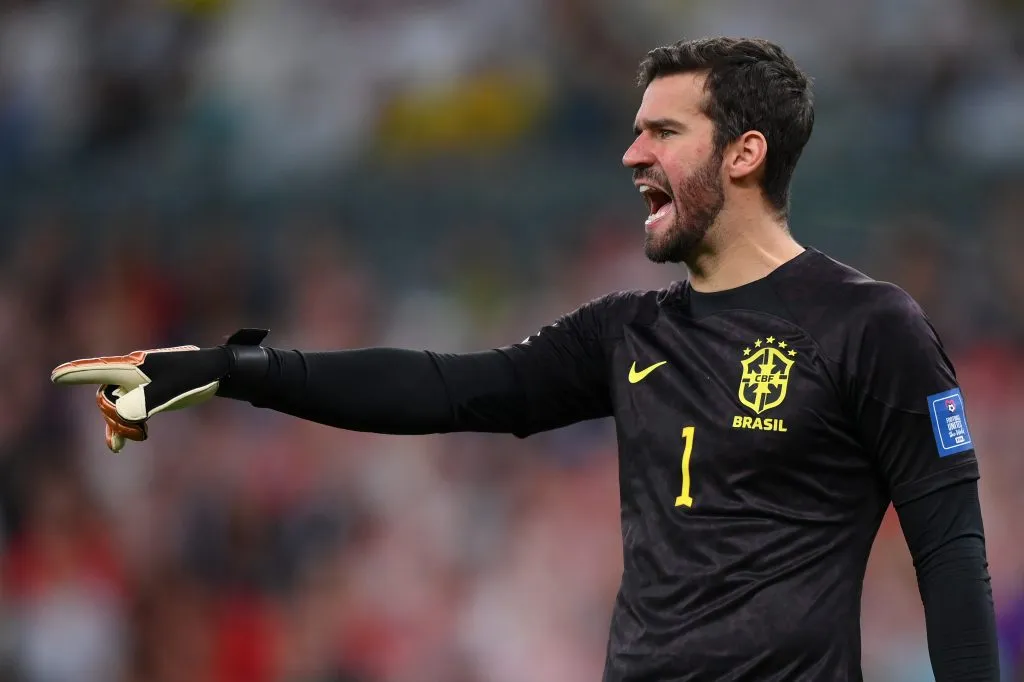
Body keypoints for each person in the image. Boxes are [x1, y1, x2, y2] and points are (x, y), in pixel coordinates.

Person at [51, 37, 1000, 681]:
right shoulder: (628, 332)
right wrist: (228, 368)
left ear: (746, 154)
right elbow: (447, 388)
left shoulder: (870, 326)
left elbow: (950, 551)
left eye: (663, 132)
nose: (632, 154)